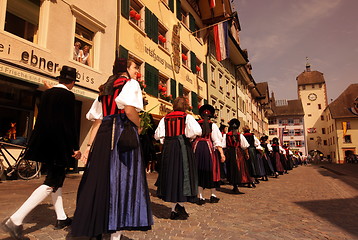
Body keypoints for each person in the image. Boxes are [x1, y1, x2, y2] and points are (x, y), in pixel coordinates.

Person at [71, 58, 153, 239]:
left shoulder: (105, 89)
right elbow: (129, 110)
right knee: (122, 180)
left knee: (100, 180)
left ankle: (95, 226)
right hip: (121, 134)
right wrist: (139, 125)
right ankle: (115, 232)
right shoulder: (130, 84)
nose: (136, 72)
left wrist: (89, 148)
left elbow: (97, 120)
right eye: (134, 68)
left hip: (103, 136)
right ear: (125, 69)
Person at [1, 66, 81, 240]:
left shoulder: (47, 94)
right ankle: (15, 220)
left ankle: (61, 218)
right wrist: (75, 147)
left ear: (60, 79)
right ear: (72, 82)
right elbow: (69, 124)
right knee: (52, 182)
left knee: (56, 180)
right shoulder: (68, 95)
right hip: (59, 146)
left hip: (44, 145)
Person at [154, 97, 202, 220]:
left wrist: (167, 139)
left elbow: (158, 135)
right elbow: (197, 131)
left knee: (171, 176)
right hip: (182, 147)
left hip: (169, 148)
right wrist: (188, 137)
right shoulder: (187, 117)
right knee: (183, 176)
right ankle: (179, 207)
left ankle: (174, 209)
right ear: (185, 106)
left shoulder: (165, 118)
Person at [192, 104, 225, 205]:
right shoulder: (213, 125)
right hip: (208, 148)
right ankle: (213, 195)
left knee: (198, 172)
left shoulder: (196, 124)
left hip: (196, 148)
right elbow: (217, 141)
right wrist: (222, 154)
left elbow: (191, 136)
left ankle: (200, 197)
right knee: (212, 171)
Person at [224, 118, 251, 193]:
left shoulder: (226, 135)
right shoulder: (240, 135)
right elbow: (245, 146)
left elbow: (224, 145)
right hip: (238, 152)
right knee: (239, 168)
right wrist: (247, 154)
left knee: (231, 168)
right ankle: (237, 185)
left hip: (230, 152)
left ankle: (234, 185)